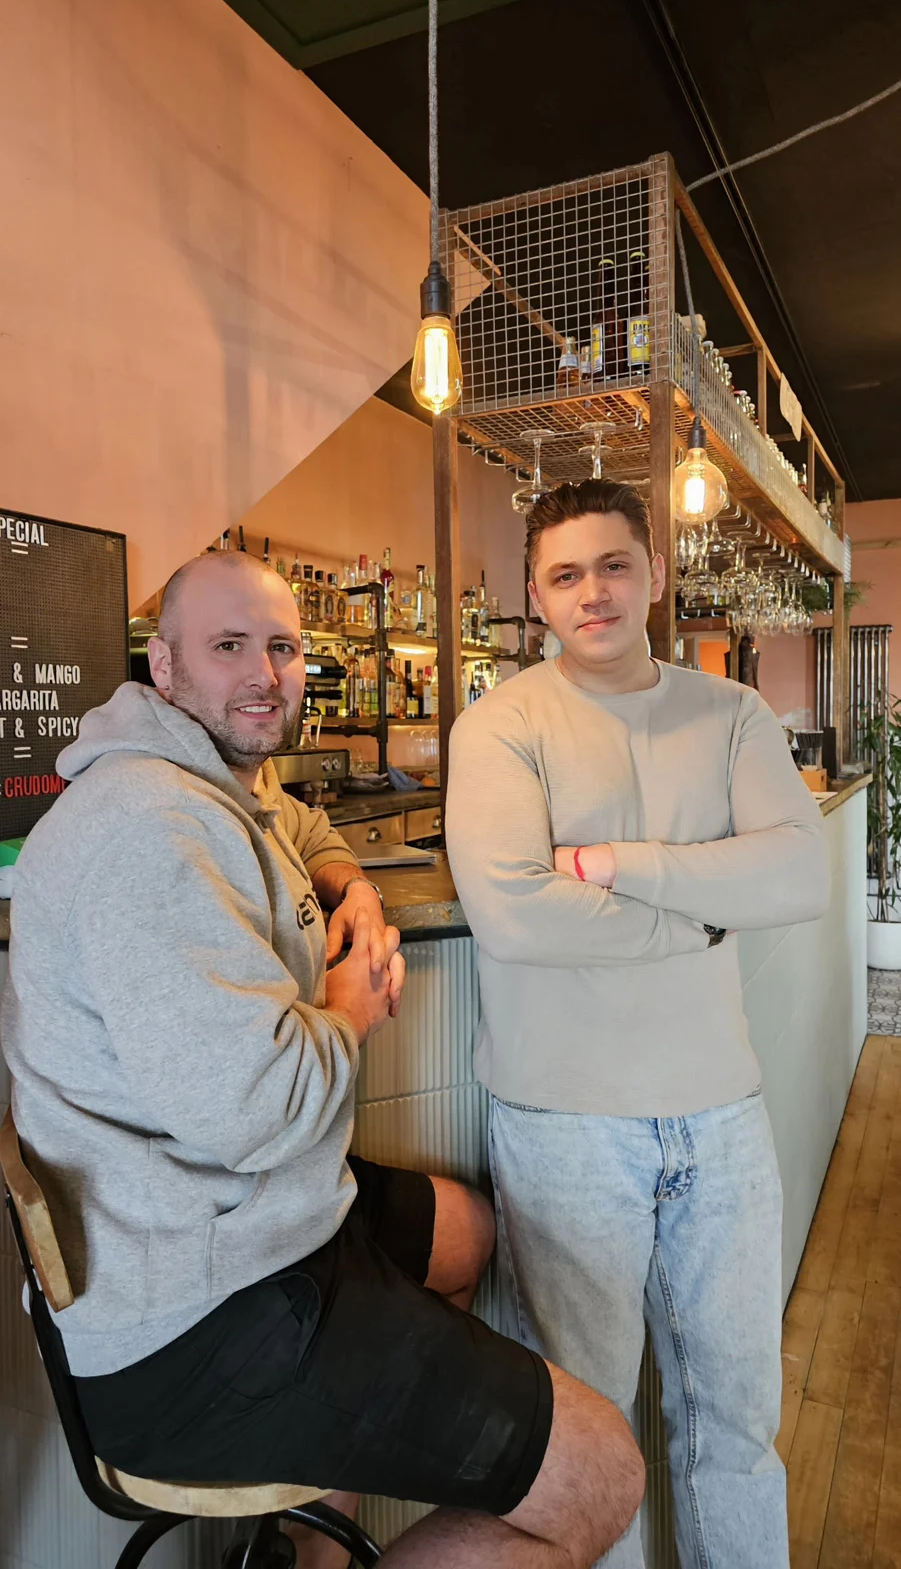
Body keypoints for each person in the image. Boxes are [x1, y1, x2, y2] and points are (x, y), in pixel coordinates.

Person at [1, 548, 644, 1569]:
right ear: (162, 668)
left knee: (470, 1233)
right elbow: (257, 1111)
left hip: (238, 1226)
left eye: (282, 648)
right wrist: (346, 1012)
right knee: (604, 1472)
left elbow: (294, 819)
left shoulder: (195, 778)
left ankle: (311, 1550)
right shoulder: (150, 830)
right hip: (196, 1320)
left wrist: (346, 880)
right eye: (228, 648)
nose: (263, 674)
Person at [445, 479, 830, 1569]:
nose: (592, 592)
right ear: (535, 595)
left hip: (722, 1114)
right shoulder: (500, 724)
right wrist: (704, 910)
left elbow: (795, 870)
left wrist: (625, 869)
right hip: (564, 1126)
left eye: (613, 564)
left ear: (654, 572)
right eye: (565, 575)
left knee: (739, 1427)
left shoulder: (731, 715)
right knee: (585, 1441)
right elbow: (515, 914)